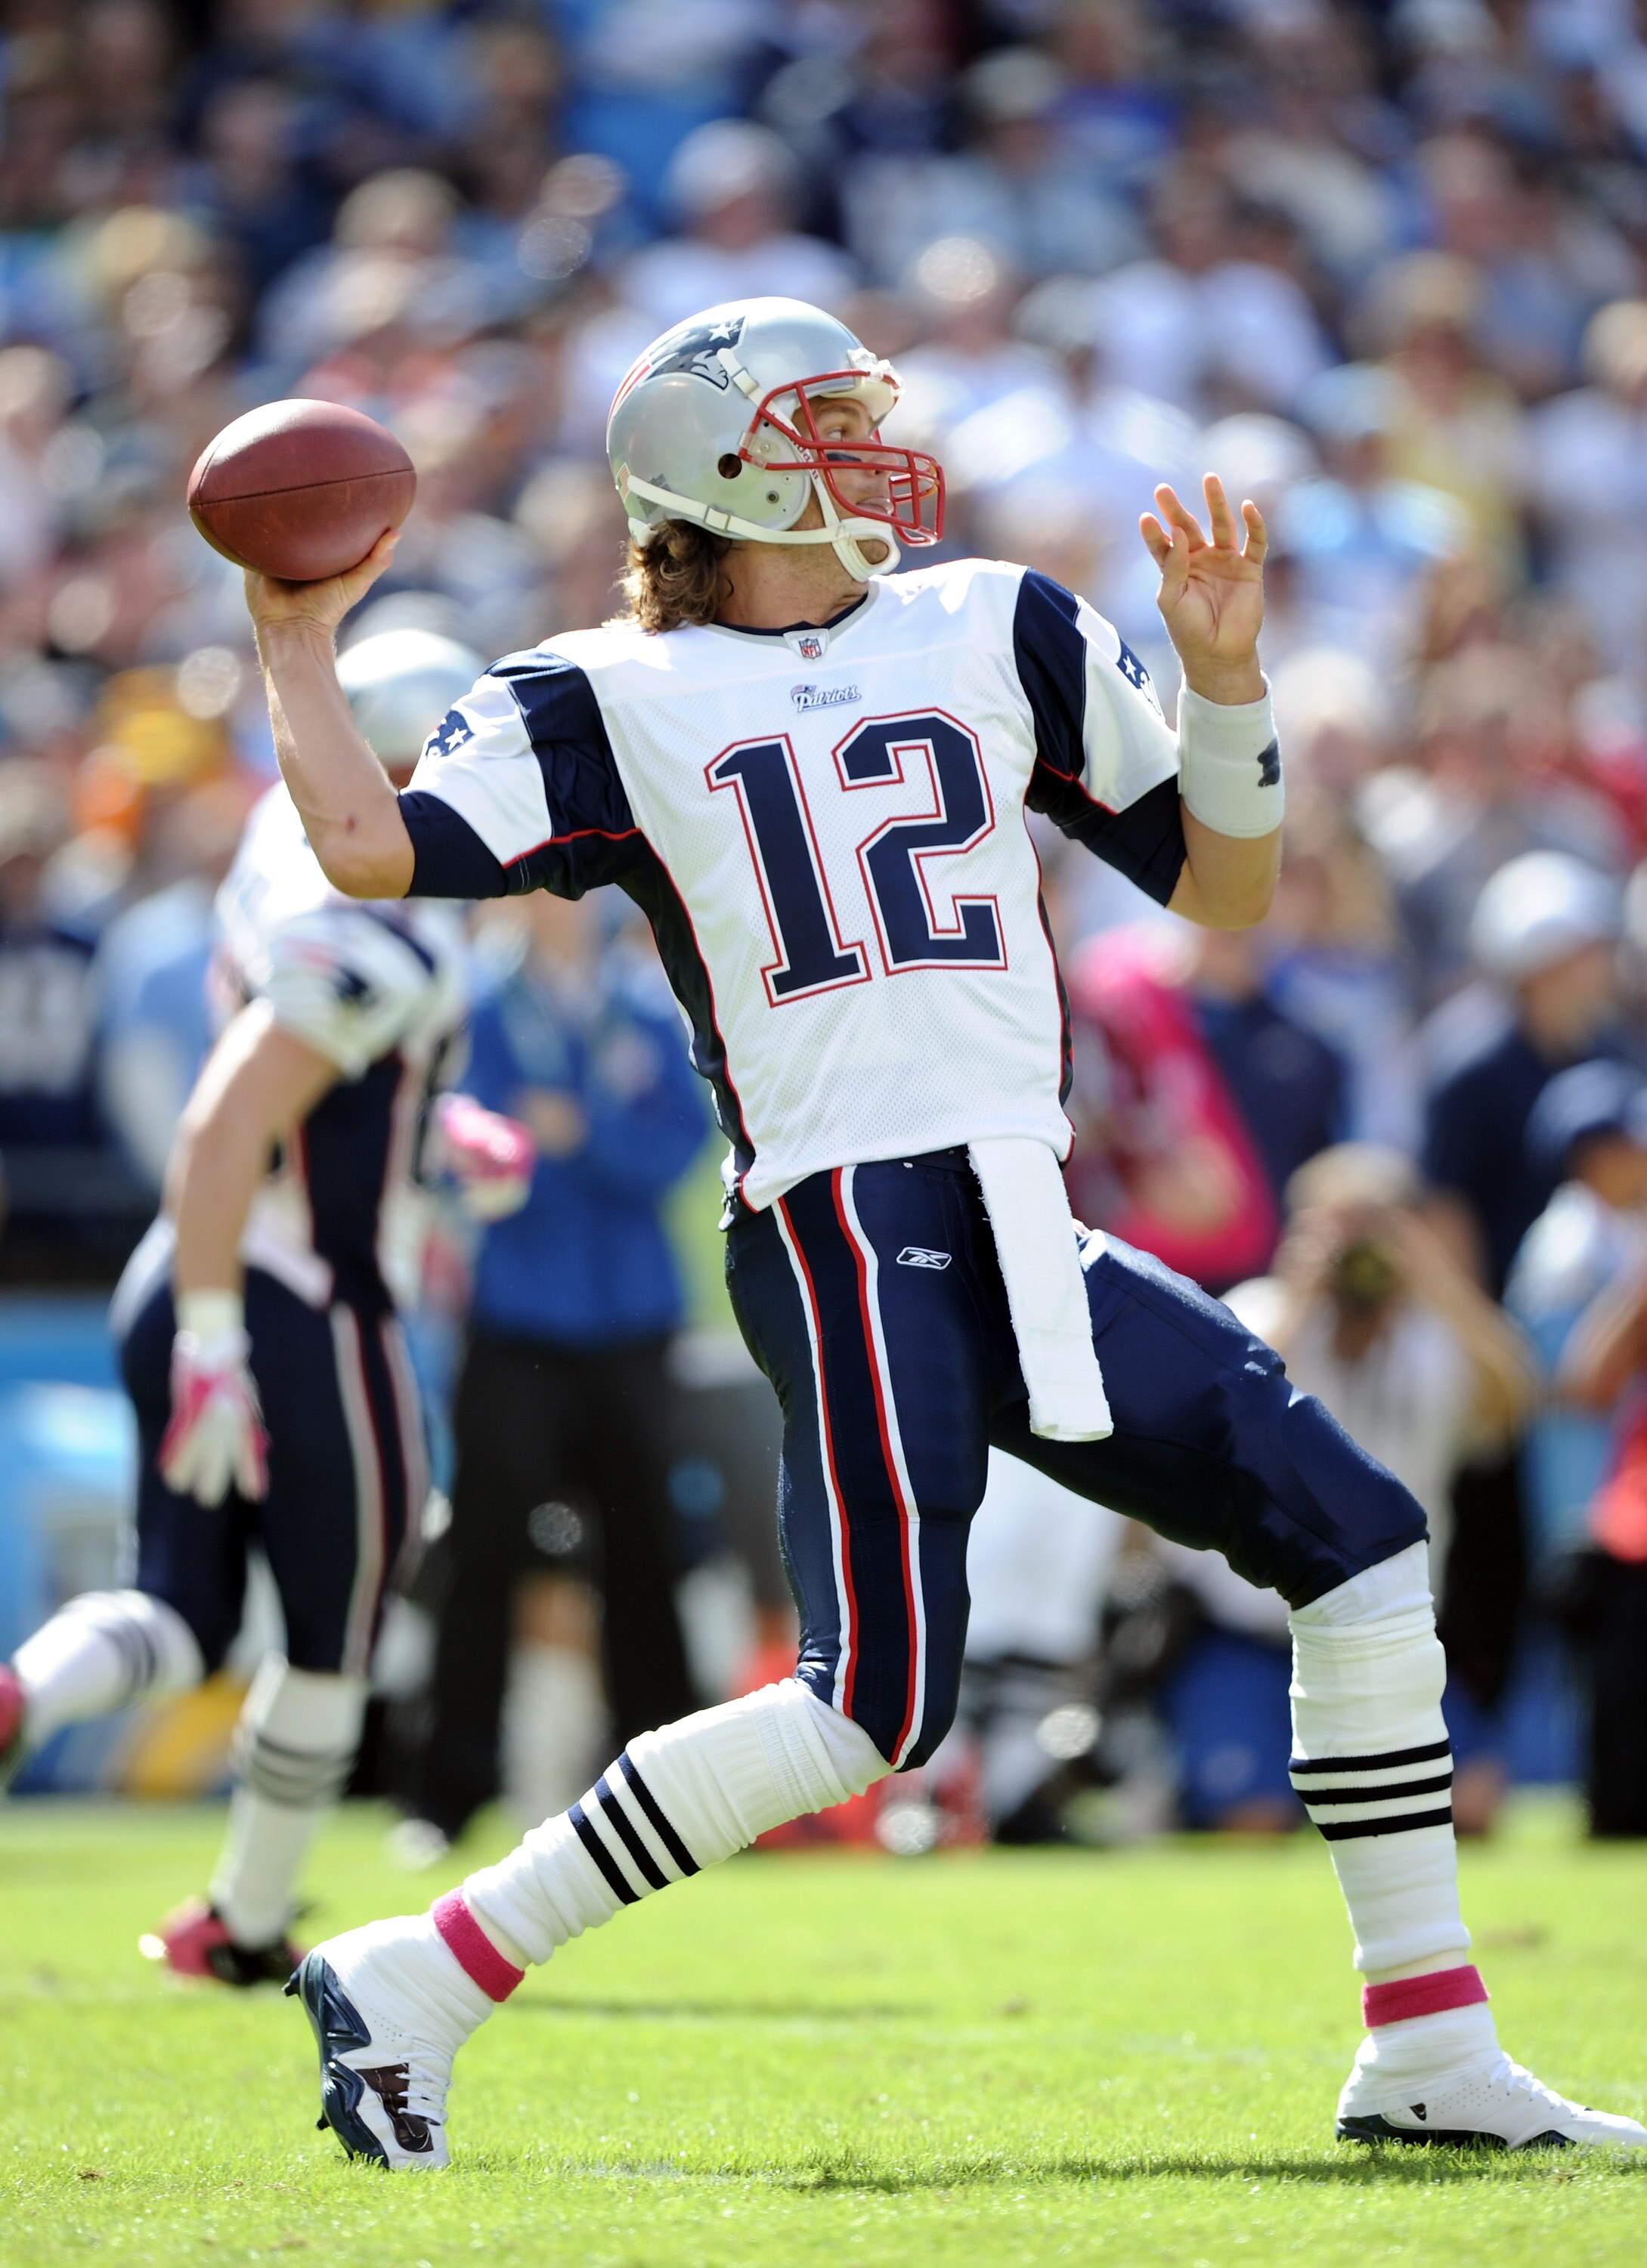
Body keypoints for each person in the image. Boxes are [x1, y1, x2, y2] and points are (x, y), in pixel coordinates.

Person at [246, 297, 1642, 2161]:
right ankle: (420, 1966)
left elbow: (1218, 883)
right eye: (824, 421)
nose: (871, 448)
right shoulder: (598, 689)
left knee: (1363, 1544)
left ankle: (1428, 2045)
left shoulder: (995, 620)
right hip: (835, 1213)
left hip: (1013, 1206)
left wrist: (1223, 680)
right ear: (724, 469)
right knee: (876, 1702)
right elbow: (367, 845)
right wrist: (290, 638)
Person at [0, 629, 528, 1984]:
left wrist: (430, 1135)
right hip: (291, 1299)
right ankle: (242, 1919)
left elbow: (314, 1096)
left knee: (179, 1608)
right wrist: (219, 1342)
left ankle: (23, 1694)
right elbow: (227, 1121)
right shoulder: (378, 923)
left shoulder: (278, 853)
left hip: (202, 1268)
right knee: (335, 1626)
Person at [396, 888, 707, 1856]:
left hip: (630, 1316)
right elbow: (463, 1151)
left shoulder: (650, 1004)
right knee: (486, 1548)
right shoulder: (478, 1005)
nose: (555, 904)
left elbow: (683, 1143)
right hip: (517, 1314)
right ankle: (449, 1784)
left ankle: (664, 1782)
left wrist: (579, 1134)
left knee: (647, 1548)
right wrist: (558, 1143)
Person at [1156, 1145, 1535, 1835]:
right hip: (1251, 1635)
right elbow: (1220, 1410)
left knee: (1472, 1803)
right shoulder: (1263, 1311)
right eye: (1338, 1231)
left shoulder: (1435, 1335)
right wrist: (1302, 1289)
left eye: (1376, 1231)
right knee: (1251, 1818)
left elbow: (1512, 1407)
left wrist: (1433, 1277)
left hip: (1381, 1637)